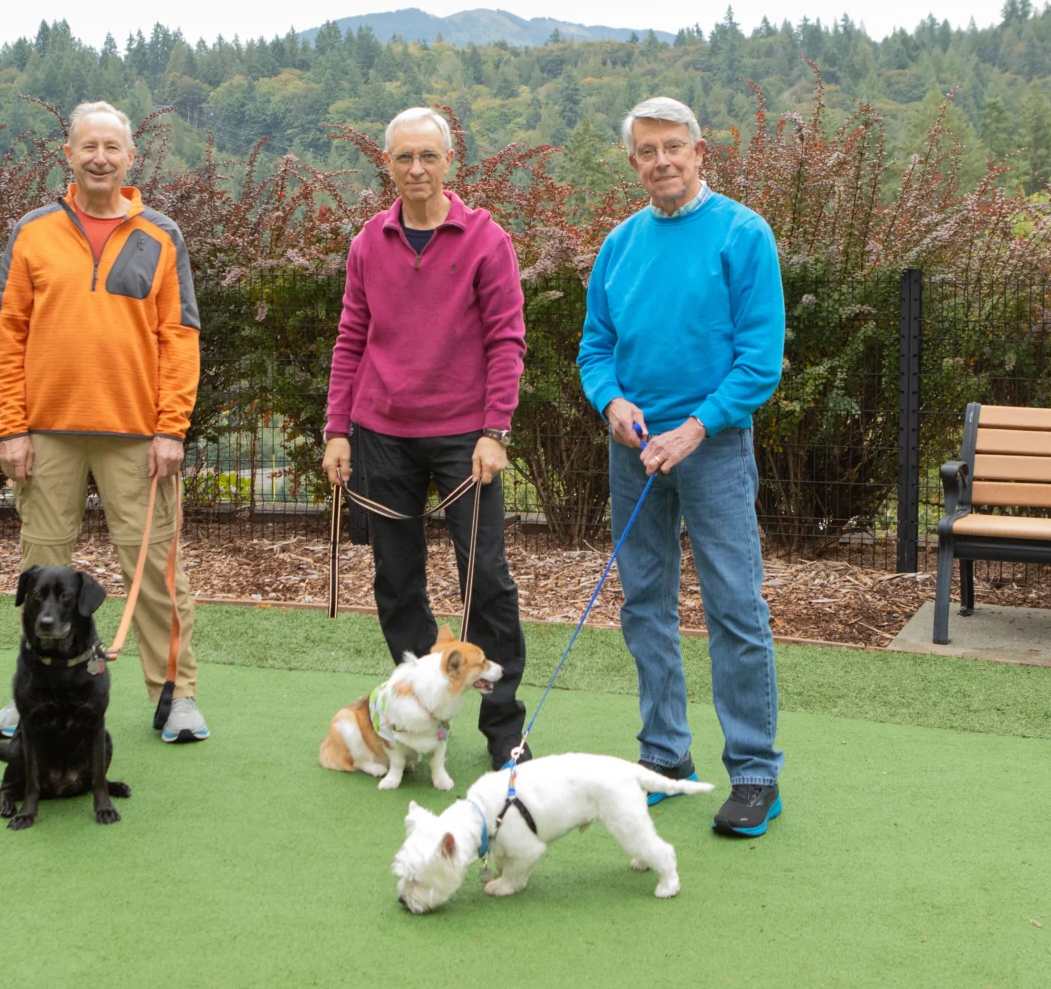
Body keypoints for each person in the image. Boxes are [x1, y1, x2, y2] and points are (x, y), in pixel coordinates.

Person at [577, 95, 786, 837]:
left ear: (701, 152)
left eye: (674, 146)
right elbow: (594, 348)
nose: (662, 159)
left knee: (735, 606)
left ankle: (756, 773)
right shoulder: (620, 244)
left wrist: (695, 428)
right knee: (644, 605)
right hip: (633, 451)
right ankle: (667, 759)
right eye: (647, 150)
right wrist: (611, 403)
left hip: (714, 447)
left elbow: (761, 361)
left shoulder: (743, 233)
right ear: (633, 162)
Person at [0, 100, 208, 743]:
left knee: (157, 571)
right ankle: (32, 696)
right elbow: (8, 335)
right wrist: (12, 426)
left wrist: (172, 429)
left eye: (112, 147)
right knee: (41, 573)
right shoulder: (32, 232)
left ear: (130, 158)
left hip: (139, 436)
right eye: (89, 147)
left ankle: (176, 696)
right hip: (46, 433)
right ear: (69, 156)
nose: (101, 158)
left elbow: (180, 336)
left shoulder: (162, 236)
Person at [321, 106, 531, 770]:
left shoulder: (486, 239)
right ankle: (417, 720)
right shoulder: (367, 242)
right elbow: (351, 336)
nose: (416, 168)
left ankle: (505, 733)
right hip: (379, 433)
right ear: (388, 163)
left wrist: (496, 428)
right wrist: (336, 430)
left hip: (467, 435)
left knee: (486, 581)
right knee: (397, 582)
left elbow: (507, 340)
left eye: (428, 156)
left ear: (450, 161)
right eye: (404, 157)